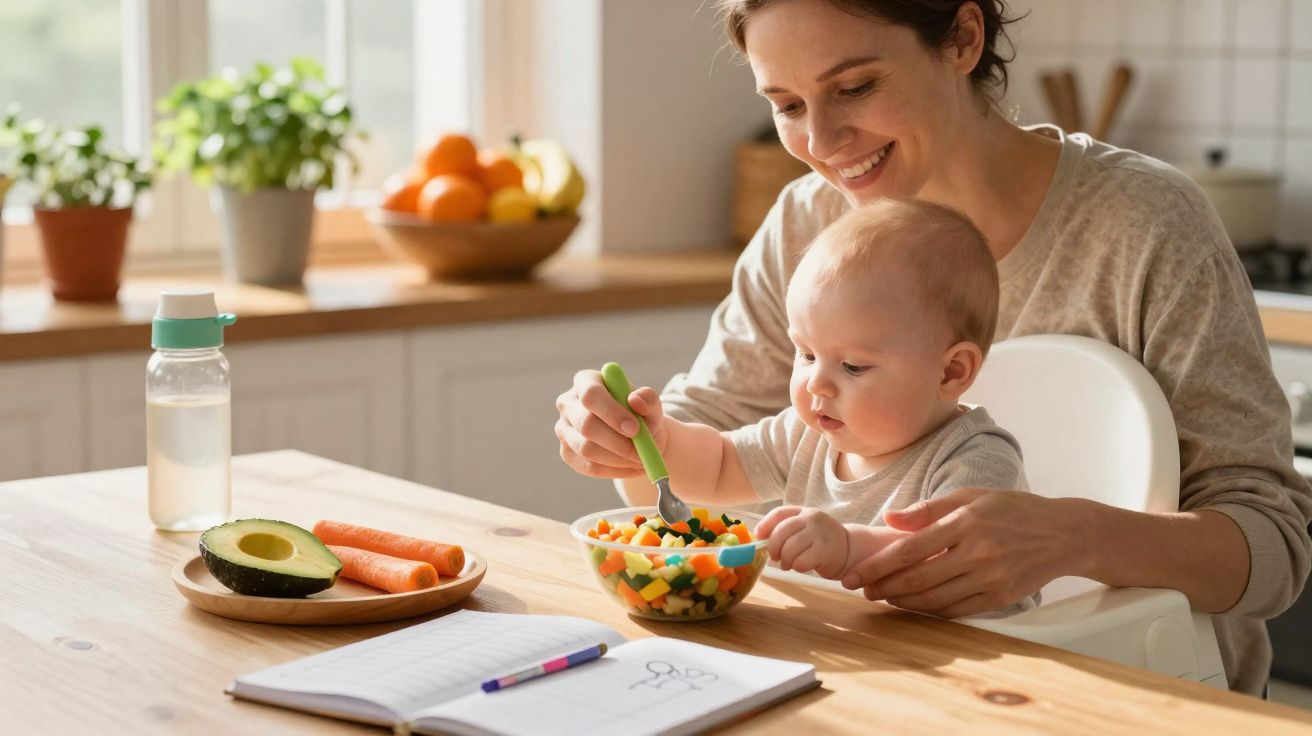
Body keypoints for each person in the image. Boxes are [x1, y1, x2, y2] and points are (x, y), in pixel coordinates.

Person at [553, 0, 1312, 696]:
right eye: (786, 105)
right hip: (885, 683)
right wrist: (625, 437)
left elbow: (1275, 552)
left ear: (962, 38)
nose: (819, 143)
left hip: (1140, 697)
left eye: (853, 87)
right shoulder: (807, 223)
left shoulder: (1145, 227)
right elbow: (699, 449)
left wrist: (1069, 536)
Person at [602, 197, 1038, 616]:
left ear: (950, 373)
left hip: (982, 662)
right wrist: (659, 439)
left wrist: (849, 548)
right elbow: (717, 466)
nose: (815, 383)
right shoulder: (809, 433)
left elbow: (950, 560)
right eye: (807, 354)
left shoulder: (976, 459)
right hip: (857, 651)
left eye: (852, 365)